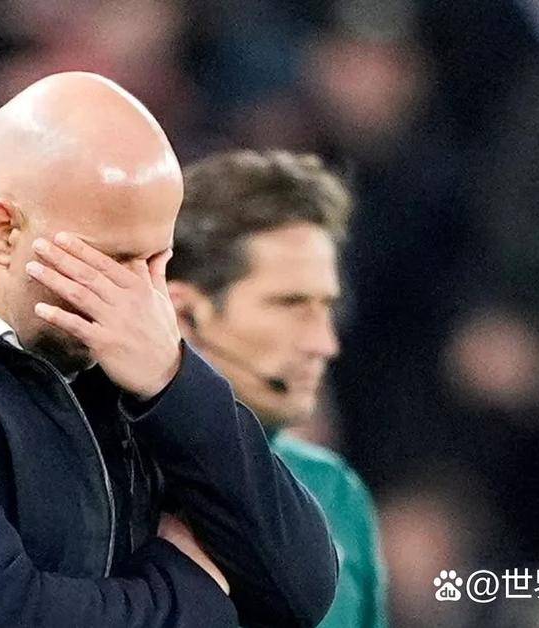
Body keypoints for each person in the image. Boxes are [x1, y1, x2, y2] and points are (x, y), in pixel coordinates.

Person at [0, 72, 338, 627]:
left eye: (158, 261)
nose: (143, 296)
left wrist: (176, 382)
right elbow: (1, 616)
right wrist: (190, 592)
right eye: (115, 261)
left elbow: (300, 590)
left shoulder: (132, 371)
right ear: (4, 231)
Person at [166, 150, 389, 628]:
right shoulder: (105, 486)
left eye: (327, 308)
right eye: (290, 304)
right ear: (184, 314)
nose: (324, 344)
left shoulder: (335, 493)